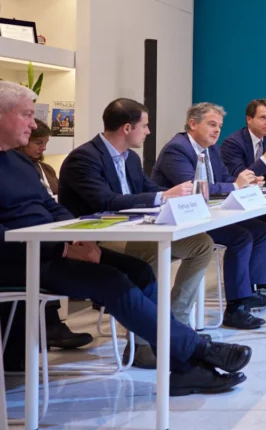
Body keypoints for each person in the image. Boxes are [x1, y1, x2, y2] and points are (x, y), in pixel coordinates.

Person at [0, 82, 251, 395]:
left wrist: (75, 241)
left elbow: (53, 208)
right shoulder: (81, 158)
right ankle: (197, 349)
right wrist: (63, 248)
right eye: (26, 114)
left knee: (139, 271)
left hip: (54, 248)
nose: (33, 123)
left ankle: (184, 367)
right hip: (20, 260)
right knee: (112, 280)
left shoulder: (20, 162)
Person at [59, 98, 214, 367]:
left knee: (202, 244)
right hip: (96, 238)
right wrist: (164, 196)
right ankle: (143, 344)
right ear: (127, 128)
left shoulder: (130, 158)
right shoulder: (83, 158)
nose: (148, 132)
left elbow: (149, 189)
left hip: (134, 231)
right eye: (145, 126)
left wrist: (174, 196)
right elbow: (105, 201)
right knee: (148, 251)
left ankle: (175, 325)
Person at [151, 103, 266, 330]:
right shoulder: (176, 149)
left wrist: (246, 183)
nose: (217, 130)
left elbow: (225, 178)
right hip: (181, 222)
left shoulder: (212, 149)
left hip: (206, 216)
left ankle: (251, 290)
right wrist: (236, 186)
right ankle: (236, 308)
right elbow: (196, 188)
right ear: (193, 123)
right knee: (241, 237)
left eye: (219, 126)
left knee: (263, 230)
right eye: (212, 124)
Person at [14, 120, 94, 352]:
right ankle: (50, 325)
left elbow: (52, 200)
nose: (43, 148)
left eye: (46, 142)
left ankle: (52, 324)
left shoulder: (44, 168)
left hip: (53, 227)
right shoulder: (17, 169)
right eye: (38, 142)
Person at [220, 98, 266, 291]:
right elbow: (240, 177)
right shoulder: (232, 143)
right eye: (262, 118)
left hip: (256, 201)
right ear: (249, 119)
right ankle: (256, 276)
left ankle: (260, 271)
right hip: (235, 204)